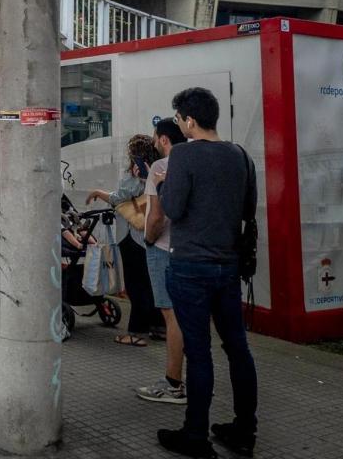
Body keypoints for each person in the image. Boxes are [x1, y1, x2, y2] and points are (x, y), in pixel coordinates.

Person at [155, 88, 259, 459]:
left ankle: (195, 436)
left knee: (199, 354)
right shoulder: (240, 155)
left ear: (189, 121)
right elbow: (249, 209)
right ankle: (244, 431)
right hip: (228, 267)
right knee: (238, 349)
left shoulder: (182, 154)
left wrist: (163, 186)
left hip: (189, 268)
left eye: (181, 119)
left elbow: (174, 209)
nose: (181, 126)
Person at [87, 134, 162, 347]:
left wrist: (97, 192)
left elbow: (119, 197)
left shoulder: (135, 177)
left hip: (132, 237)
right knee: (151, 284)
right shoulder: (158, 172)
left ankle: (136, 332)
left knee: (137, 287)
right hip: (151, 236)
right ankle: (158, 326)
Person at [137, 118, 189, 405]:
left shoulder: (160, 168)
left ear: (165, 139)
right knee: (187, 315)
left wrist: (148, 239)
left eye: (157, 137)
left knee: (172, 317)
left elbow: (157, 217)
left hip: (161, 249)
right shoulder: (193, 165)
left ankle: (173, 382)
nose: (155, 142)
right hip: (186, 251)